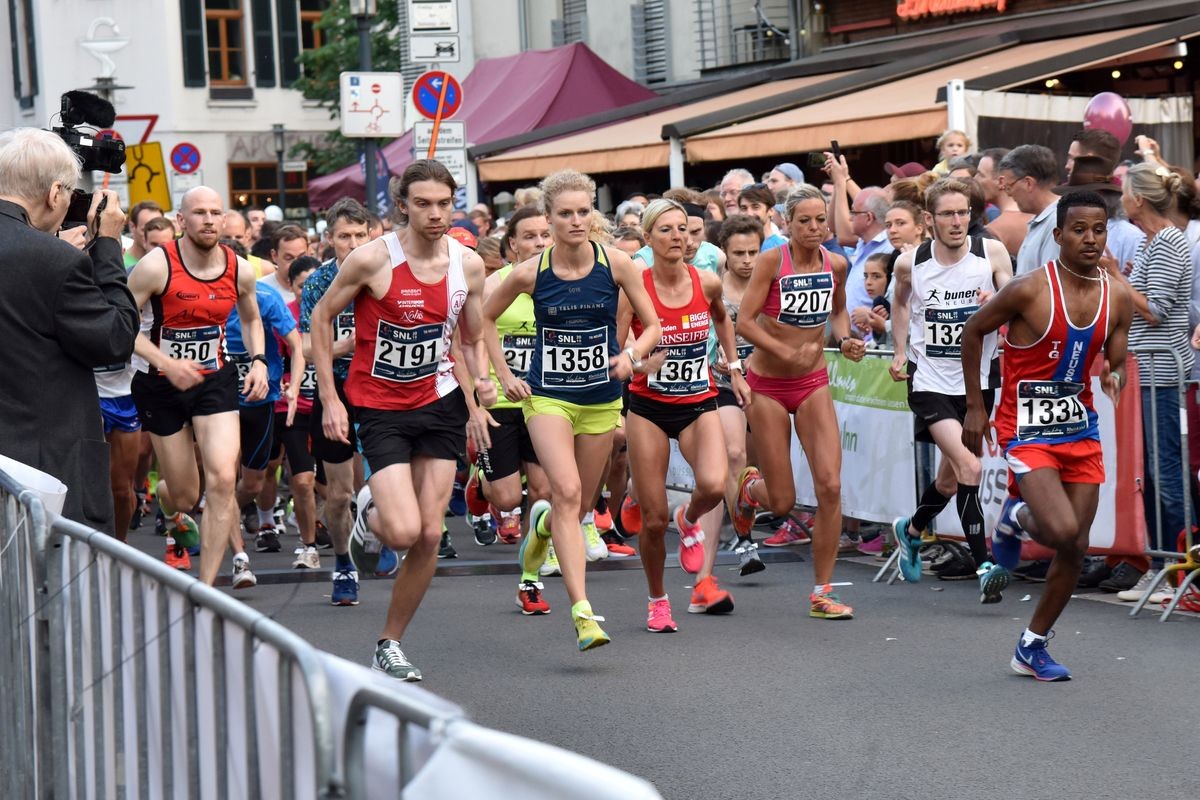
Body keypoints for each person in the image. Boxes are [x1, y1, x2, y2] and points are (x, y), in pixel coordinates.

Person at [311, 160, 492, 682]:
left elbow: (472, 337)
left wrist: (480, 389)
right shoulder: (372, 259)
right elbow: (322, 317)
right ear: (402, 207)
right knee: (403, 532)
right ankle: (370, 510)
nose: (435, 214)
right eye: (423, 204)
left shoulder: (468, 265)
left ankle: (388, 644)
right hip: (380, 405)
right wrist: (330, 399)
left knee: (430, 535)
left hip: (439, 401)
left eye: (444, 204)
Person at [483, 168, 662, 651]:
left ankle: (539, 530)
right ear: (549, 218)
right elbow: (484, 317)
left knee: (577, 505)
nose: (576, 220)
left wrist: (630, 355)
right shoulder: (529, 273)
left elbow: (653, 326)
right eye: (566, 213)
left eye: (584, 211)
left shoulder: (618, 264)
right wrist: (504, 374)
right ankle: (582, 612)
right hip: (548, 397)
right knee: (564, 490)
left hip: (600, 399)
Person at [961, 190, 1131, 680]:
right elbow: (973, 331)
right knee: (1059, 531)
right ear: (1058, 235)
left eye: (1098, 229)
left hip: (1080, 428)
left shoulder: (1117, 296)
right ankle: (1014, 516)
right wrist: (976, 406)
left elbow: (1116, 358)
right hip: (1027, 428)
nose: (1090, 239)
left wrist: (1114, 376)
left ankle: (1031, 646)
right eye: (1079, 230)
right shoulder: (1028, 289)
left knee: (1076, 546)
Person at [617, 199, 750, 631]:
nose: (679, 238)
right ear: (648, 238)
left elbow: (723, 320)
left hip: (698, 401)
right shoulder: (635, 287)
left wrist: (734, 369)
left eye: (685, 230)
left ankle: (688, 518)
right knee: (653, 519)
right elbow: (617, 345)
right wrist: (638, 363)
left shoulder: (706, 281)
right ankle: (658, 600)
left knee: (713, 484)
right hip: (649, 408)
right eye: (667, 230)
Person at [733, 184, 865, 620]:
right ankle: (750, 491)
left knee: (830, 487)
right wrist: (782, 350)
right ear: (787, 223)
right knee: (783, 502)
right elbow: (745, 321)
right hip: (768, 386)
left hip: (812, 383)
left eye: (820, 220)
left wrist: (845, 340)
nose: (814, 227)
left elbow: (839, 313)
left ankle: (822, 592)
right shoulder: (772, 261)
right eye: (804, 220)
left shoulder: (836, 264)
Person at [127, 186, 269, 583]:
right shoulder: (156, 267)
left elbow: (251, 318)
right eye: (199, 212)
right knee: (185, 494)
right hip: (159, 384)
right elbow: (121, 325)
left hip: (214, 380)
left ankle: (205, 590)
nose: (208, 220)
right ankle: (169, 502)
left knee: (223, 478)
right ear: (181, 220)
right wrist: (166, 363)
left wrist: (258, 361)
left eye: (215, 212)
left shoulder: (238, 268)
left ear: (224, 219)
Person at [0, 128, 140, 529]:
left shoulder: (49, 256)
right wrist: (107, 245)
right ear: (54, 194)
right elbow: (114, 340)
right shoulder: (55, 260)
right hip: (43, 472)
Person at [887, 178, 1014, 593]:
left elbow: (1014, 301)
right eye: (947, 214)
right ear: (930, 219)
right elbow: (899, 302)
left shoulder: (990, 252)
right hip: (930, 381)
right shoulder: (910, 263)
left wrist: (996, 305)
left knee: (948, 480)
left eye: (963, 213)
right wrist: (900, 350)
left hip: (978, 383)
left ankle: (910, 530)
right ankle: (984, 566)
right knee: (971, 468)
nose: (957, 221)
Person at [1095, 164, 1195, 596]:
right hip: (1147, 372)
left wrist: (1117, 276)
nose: (1121, 199)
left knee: (1165, 473)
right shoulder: (1155, 241)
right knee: (1151, 475)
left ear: (1139, 198)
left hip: (1163, 373)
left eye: (1125, 192)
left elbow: (1154, 309)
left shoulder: (1169, 241)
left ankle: (1182, 567)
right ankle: (1165, 566)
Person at [471, 206, 554, 582]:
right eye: (529, 236)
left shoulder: (565, 282)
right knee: (506, 498)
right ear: (513, 245)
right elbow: (474, 338)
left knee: (543, 487)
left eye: (544, 235)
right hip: (501, 401)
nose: (539, 242)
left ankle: (537, 554)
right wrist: (486, 382)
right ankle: (480, 480)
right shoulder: (496, 284)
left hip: (545, 400)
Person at [300, 198, 373, 605]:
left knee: (378, 489)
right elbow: (306, 349)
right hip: (336, 391)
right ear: (330, 239)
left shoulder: (384, 274)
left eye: (360, 235)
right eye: (345, 236)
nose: (353, 244)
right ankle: (344, 562)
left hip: (381, 388)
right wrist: (345, 345)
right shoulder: (318, 283)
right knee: (341, 495)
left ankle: (377, 533)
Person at [98, 216, 177, 541]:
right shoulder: (73, 282)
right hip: (89, 395)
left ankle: (119, 550)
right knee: (92, 484)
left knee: (121, 488)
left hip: (125, 394)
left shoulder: (137, 283)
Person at [226, 279, 304, 587]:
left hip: (259, 400)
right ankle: (239, 558)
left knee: (253, 483)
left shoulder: (266, 298)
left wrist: (294, 388)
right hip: (219, 401)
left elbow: (296, 345)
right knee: (222, 478)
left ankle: (222, 511)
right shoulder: (206, 296)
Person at [710, 214, 768, 571]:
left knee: (756, 468)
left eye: (753, 252)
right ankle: (745, 542)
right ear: (724, 253)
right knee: (734, 454)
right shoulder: (712, 287)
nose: (747, 260)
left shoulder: (772, 285)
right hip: (722, 384)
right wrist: (715, 357)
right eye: (739, 253)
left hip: (764, 383)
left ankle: (742, 512)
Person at [997, 145, 1061, 275]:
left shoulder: (1057, 221)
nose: (1009, 194)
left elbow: (1050, 281)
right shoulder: (1044, 218)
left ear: (1028, 183)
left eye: (1009, 186)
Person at [976, 147, 1032, 259]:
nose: (975, 179)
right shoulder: (1037, 215)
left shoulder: (994, 230)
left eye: (980, 175)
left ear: (1001, 181)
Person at [850, 251, 893, 347]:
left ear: (890, 277)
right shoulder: (877, 305)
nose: (868, 282)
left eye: (876, 276)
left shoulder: (897, 306)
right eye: (866, 276)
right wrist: (870, 330)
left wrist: (868, 315)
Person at [260, 224, 309, 303]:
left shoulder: (320, 285)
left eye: (302, 257)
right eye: (289, 258)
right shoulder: (261, 290)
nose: (296, 263)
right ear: (274, 255)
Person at [738, 184, 788, 251]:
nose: (749, 213)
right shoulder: (734, 244)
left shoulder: (781, 248)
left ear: (771, 211)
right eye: (744, 208)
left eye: (755, 207)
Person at [123, 200, 165, 268]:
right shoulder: (122, 265)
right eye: (146, 229)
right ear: (132, 226)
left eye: (158, 229)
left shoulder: (168, 262)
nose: (153, 235)